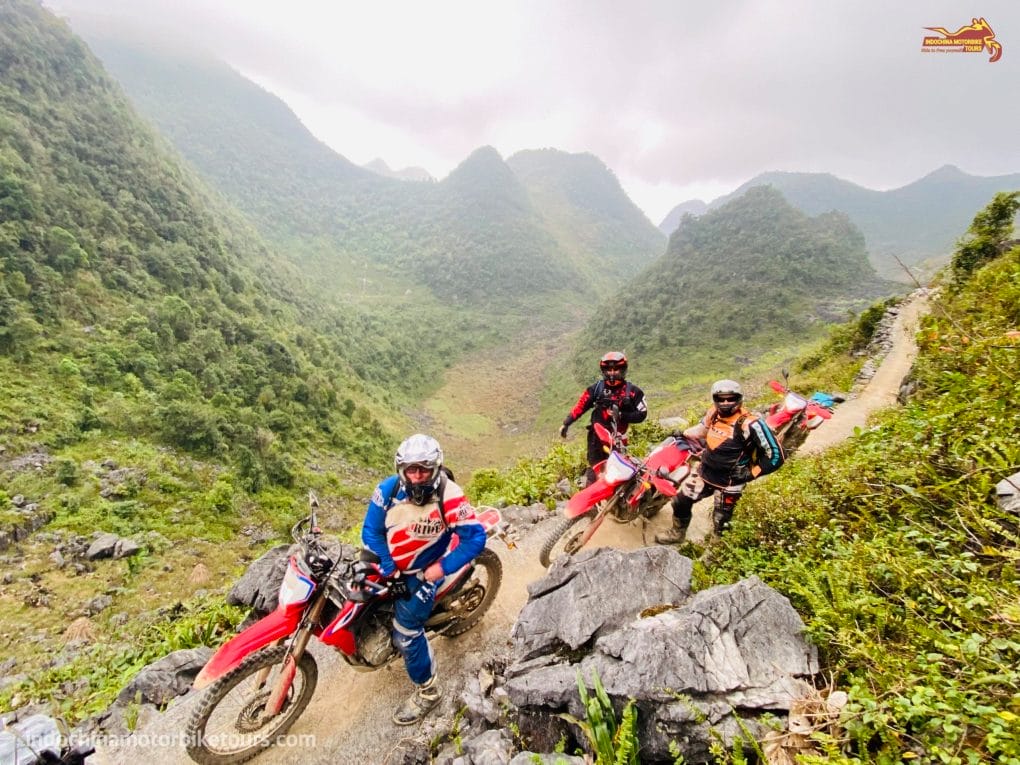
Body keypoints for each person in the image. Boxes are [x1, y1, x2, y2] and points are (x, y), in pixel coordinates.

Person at [361, 433, 486, 726]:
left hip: (423, 571)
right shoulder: (388, 489)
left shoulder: (450, 495)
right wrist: (389, 565)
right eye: (410, 470)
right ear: (401, 470)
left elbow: (475, 537)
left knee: (405, 632)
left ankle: (429, 692)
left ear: (435, 468)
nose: (416, 477)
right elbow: (371, 530)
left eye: (424, 470)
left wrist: (440, 569)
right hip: (390, 565)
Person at [656, 379, 784, 543]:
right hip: (705, 472)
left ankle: (714, 553)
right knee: (680, 501)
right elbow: (702, 430)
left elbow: (775, 455)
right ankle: (677, 533)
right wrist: (683, 432)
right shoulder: (713, 413)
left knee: (721, 520)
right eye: (720, 399)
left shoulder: (750, 424)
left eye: (730, 398)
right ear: (714, 399)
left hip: (731, 482)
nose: (725, 403)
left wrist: (751, 473)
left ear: (739, 399)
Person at [560, 351, 648, 485]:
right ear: (603, 370)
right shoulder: (596, 389)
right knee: (596, 470)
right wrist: (566, 423)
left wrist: (621, 415)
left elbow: (642, 414)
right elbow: (581, 406)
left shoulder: (633, 391)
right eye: (608, 369)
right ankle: (592, 503)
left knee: (618, 472)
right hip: (596, 438)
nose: (612, 373)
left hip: (618, 439)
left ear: (623, 369)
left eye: (616, 369)